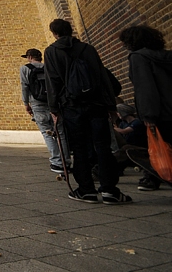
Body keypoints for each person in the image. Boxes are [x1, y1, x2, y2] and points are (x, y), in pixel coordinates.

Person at [45, 19, 131, 204]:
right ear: (70, 30)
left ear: (54, 33)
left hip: (71, 106)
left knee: (79, 148)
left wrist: (54, 108)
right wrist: (111, 106)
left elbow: (52, 82)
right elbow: (101, 77)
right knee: (103, 147)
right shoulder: (87, 49)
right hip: (96, 105)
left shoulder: (51, 52)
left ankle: (86, 190)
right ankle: (110, 190)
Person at [118, 24, 172, 192]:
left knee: (162, 149)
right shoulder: (167, 57)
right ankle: (152, 178)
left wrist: (148, 116)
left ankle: (154, 178)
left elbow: (145, 88)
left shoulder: (138, 58)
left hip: (160, 114)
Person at [19, 48, 70, 174]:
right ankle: (66, 162)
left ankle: (56, 162)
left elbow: (24, 86)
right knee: (61, 134)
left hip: (37, 104)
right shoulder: (49, 67)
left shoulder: (25, 68)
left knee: (47, 134)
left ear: (30, 57)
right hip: (54, 104)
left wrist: (26, 104)